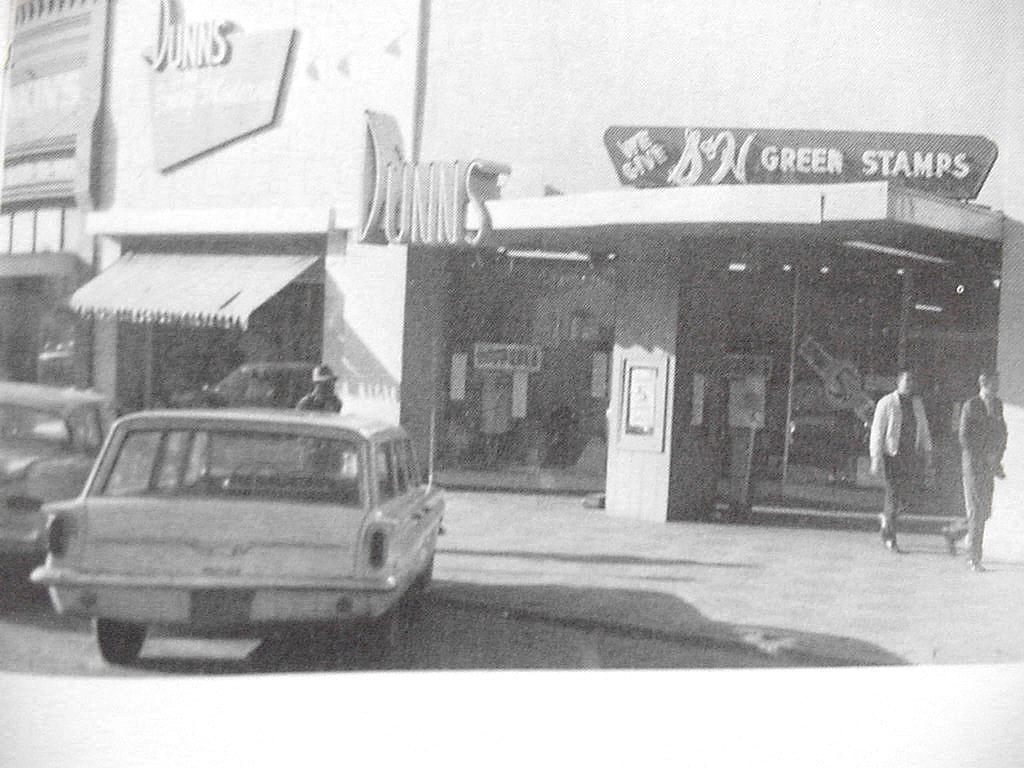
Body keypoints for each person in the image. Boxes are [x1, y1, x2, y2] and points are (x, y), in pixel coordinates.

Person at [942, 371, 1007, 572]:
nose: (996, 387)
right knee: (977, 511)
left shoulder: (997, 405)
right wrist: (983, 455)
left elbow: (1002, 432)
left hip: (990, 465)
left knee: (984, 512)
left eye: (997, 383)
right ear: (983, 383)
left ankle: (953, 532)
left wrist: (997, 457)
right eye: (993, 383)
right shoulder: (971, 405)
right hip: (973, 465)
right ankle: (974, 558)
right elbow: (964, 437)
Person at [869, 370, 933, 552]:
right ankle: (890, 537)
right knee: (893, 495)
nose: (909, 384)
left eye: (912, 381)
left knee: (907, 499)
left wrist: (928, 452)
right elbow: (877, 431)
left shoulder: (917, 403)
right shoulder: (887, 403)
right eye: (906, 381)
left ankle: (886, 520)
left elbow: (924, 428)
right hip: (893, 456)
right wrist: (876, 457)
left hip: (910, 456)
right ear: (898, 383)